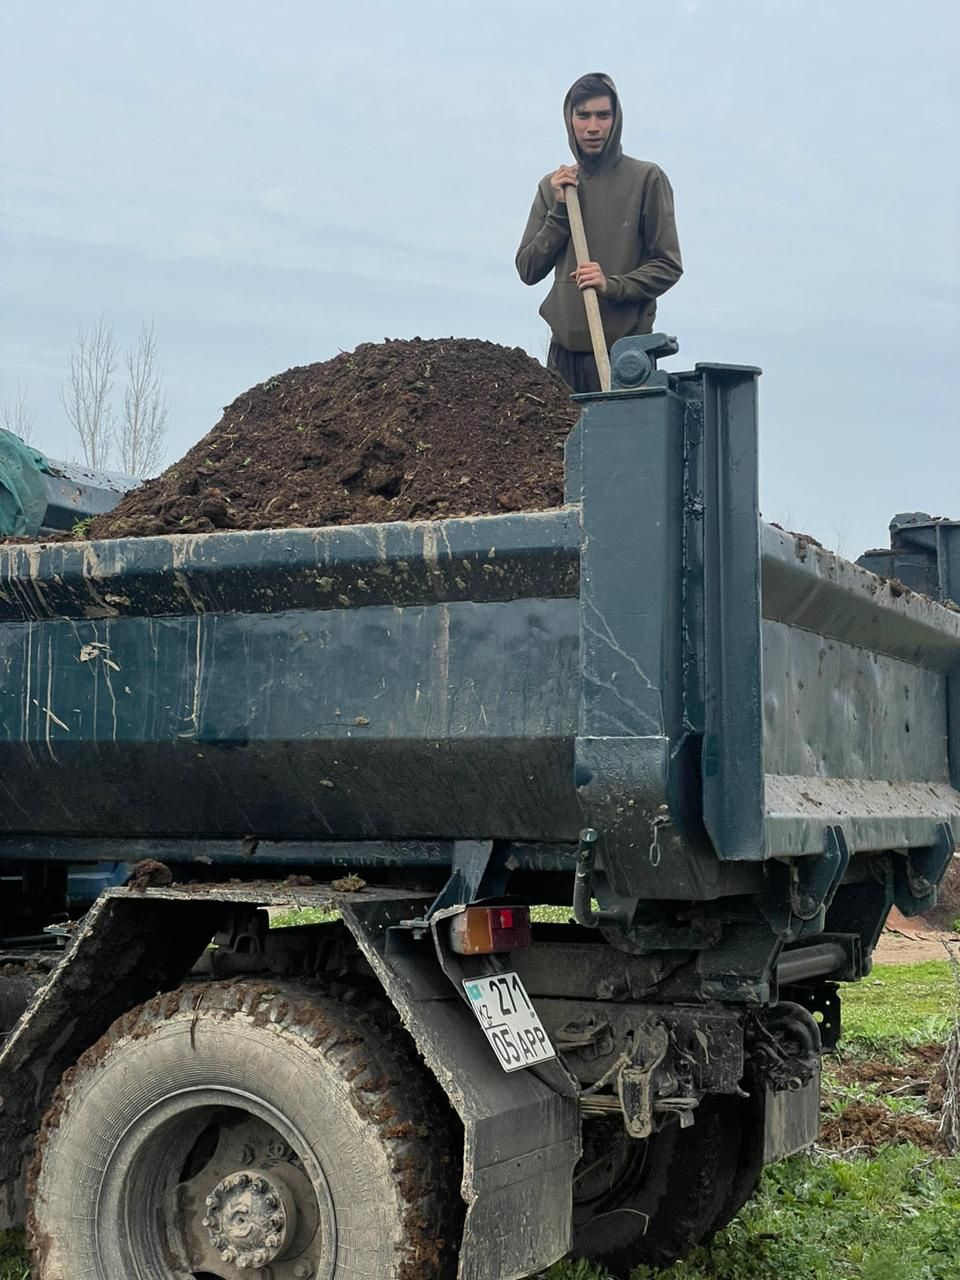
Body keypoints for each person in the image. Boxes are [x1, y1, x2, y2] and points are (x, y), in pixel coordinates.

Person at [516, 72, 682, 393]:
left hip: (625, 358)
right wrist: (561, 210)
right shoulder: (555, 187)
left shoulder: (647, 179)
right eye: (583, 115)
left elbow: (668, 265)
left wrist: (612, 285)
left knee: (620, 443)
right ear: (570, 120)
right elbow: (528, 269)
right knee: (559, 444)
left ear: (615, 119)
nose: (593, 127)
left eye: (603, 115)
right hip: (562, 359)